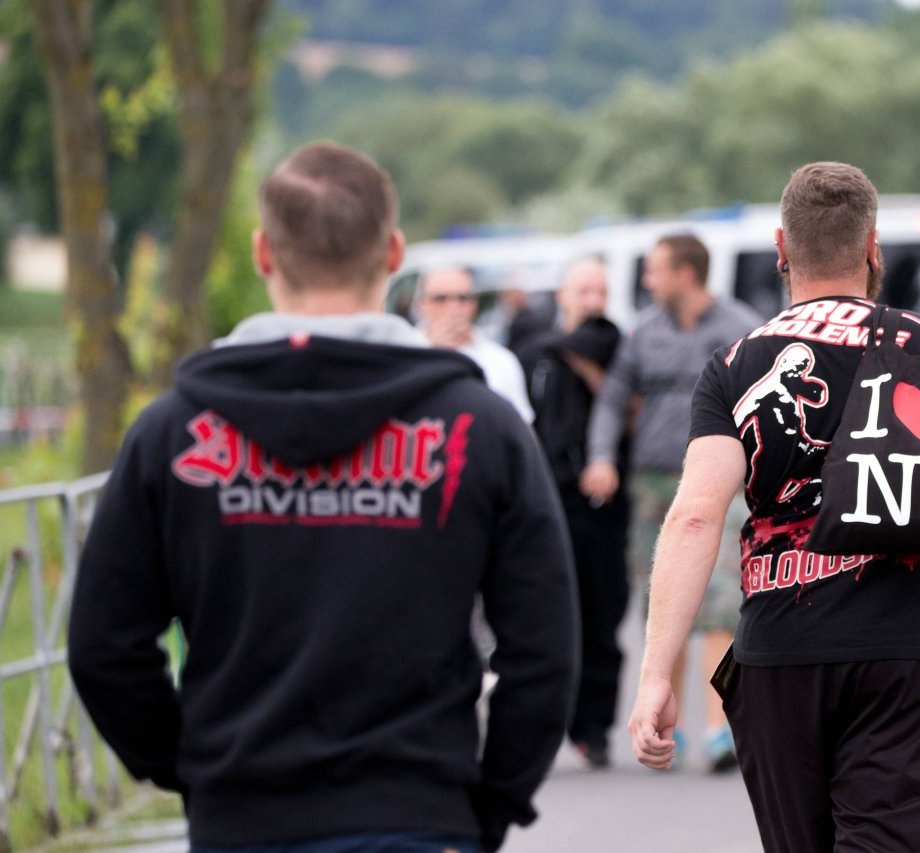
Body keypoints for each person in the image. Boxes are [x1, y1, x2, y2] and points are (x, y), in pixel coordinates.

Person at [67, 141, 579, 853]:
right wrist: (490, 801)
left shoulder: (174, 430)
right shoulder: (477, 425)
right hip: (420, 815)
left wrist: (195, 769)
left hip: (242, 818)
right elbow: (546, 644)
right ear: (395, 252)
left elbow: (104, 644)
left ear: (263, 253)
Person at [628, 162, 920, 852]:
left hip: (780, 658)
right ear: (872, 246)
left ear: (783, 248)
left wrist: (654, 678)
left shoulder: (737, 362)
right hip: (907, 656)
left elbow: (696, 514)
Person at [580, 233, 761, 772]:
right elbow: (613, 399)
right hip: (653, 483)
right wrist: (600, 456)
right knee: (662, 601)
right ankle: (667, 726)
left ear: (686, 274)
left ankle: (719, 727)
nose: (646, 281)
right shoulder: (645, 333)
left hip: (720, 484)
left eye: (654, 270)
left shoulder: (738, 328)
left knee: (722, 601)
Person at [515, 257, 629, 769]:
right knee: (545, 616)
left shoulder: (613, 344)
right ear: (562, 293)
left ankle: (595, 728)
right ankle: (546, 723)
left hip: (602, 502)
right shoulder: (534, 353)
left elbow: (632, 408)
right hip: (545, 497)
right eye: (584, 290)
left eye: (601, 291)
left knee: (603, 615)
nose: (593, 300)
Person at [416, 266, 536, 424]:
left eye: (463, 298)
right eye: (441, 299)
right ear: (422, 304)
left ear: (474, 304)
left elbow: (521, 426)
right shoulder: (402, 355)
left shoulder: (501, 361)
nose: (454, 307)